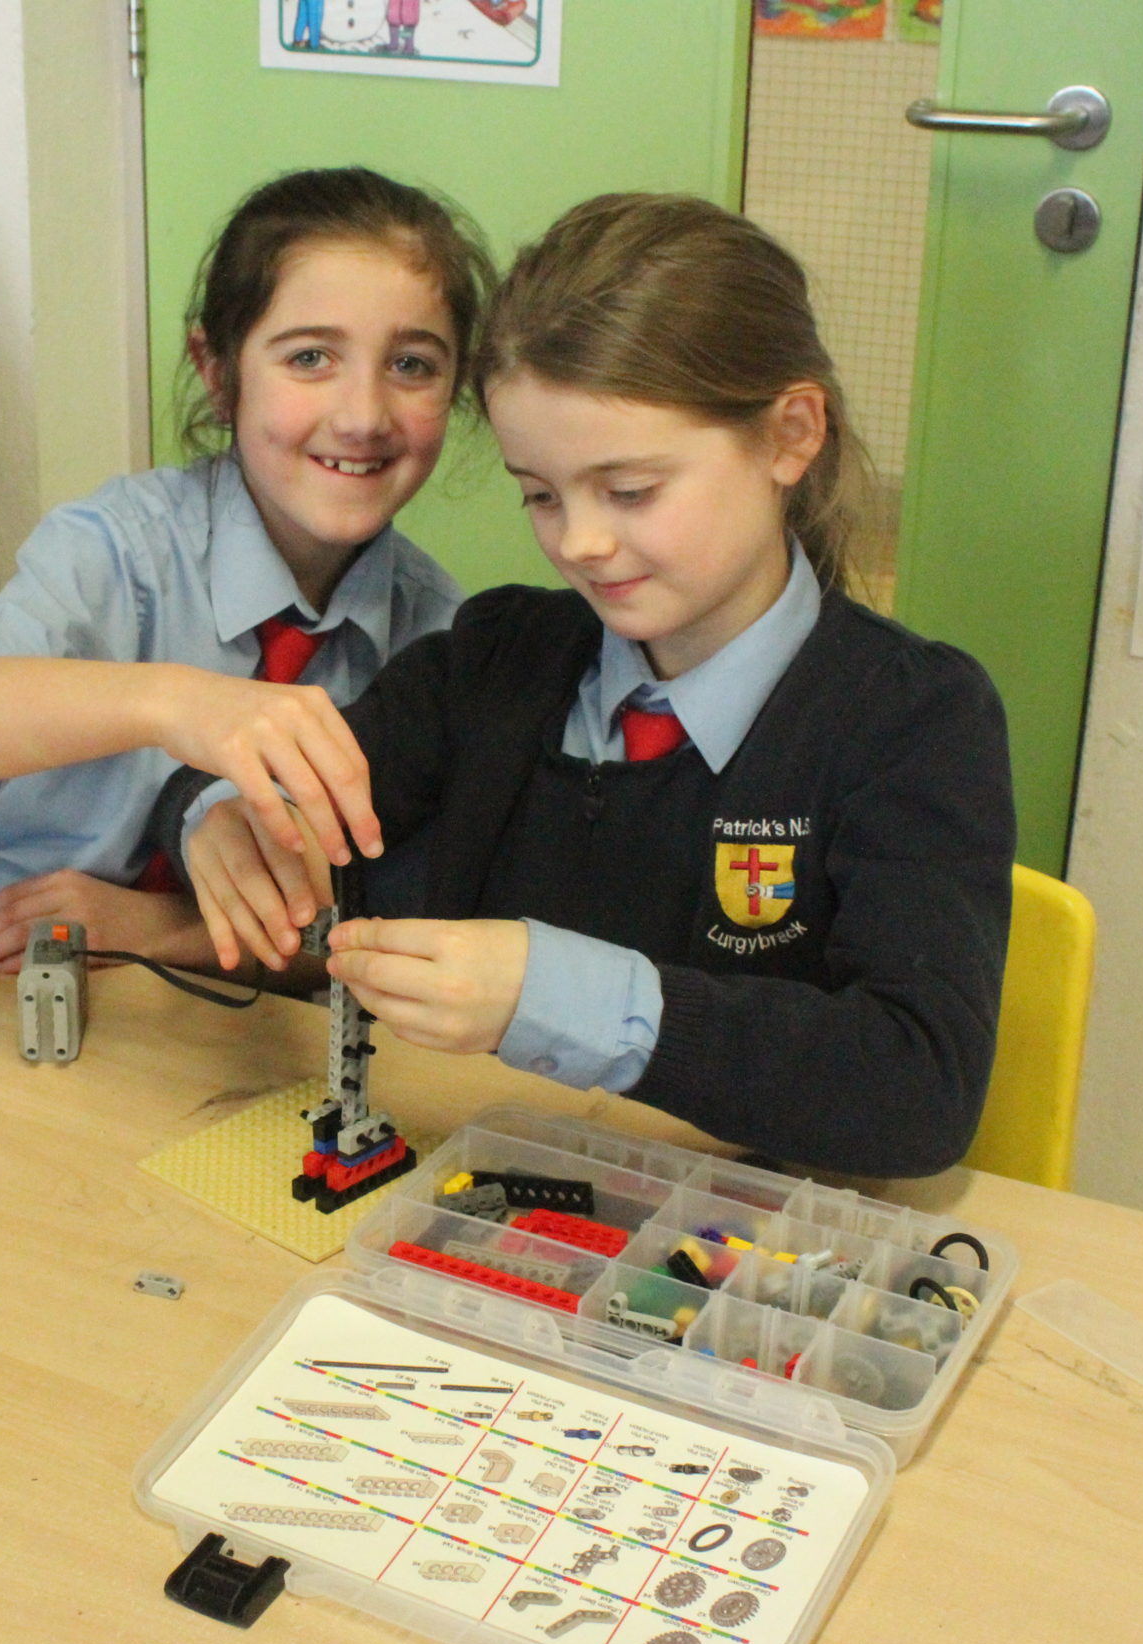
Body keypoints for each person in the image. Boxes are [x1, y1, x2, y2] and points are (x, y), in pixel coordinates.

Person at [168, 194, 1015, 1178]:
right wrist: (227, 817)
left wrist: (558, 997)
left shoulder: (913, 720)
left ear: (790, 435)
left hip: (737, 1234)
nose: (580, 541)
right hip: (474, 1201)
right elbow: (307, 791)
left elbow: (919, 1089)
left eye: (630, 491)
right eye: (540, 493)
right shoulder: (497, 657)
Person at [0, 168, 484, 974]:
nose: (363, 416)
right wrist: (175, 704)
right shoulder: (121, 549)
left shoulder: (439, 631)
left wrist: (155, 929)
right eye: (309, 358)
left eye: (412, 365)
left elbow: (378, 919)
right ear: (218, 372)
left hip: (215, 1002)